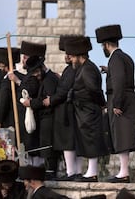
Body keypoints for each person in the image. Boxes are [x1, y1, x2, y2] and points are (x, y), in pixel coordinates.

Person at [95, 24, 135, 183]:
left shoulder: (115, 58)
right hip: (126, 97)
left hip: (119, 99)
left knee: (121, 136)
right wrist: (109, 70)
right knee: (123, 136)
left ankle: (124, 173)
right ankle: (123, 171)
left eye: (102, 46)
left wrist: (117, 104)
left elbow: (119, 81)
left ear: (106, 45)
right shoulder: (125, 57)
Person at [64, 36, 108, 182]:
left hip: (89, 110)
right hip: (84, 110)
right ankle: (90, 171)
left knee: (91, 139)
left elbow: (94, 89)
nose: (70, 59)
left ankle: (92, 172)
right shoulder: (83, 68)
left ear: (79, 55)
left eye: (72, 56)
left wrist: (102, 104)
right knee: (87, 140)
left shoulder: (88, 68)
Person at [43, 35, 81, 181]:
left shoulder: (71, 70)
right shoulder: (70, 70)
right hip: (68, 111)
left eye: (68, 54)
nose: (66, 56)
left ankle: (71, 172)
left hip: (66, 112)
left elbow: (63, 91)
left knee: (68, 143)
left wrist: (50, 100)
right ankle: (74, 172)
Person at [0, 47, 21, 129]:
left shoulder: (7, 80)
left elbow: (3, 102)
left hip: (10, 119)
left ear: (3, 65)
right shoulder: (23, 77)